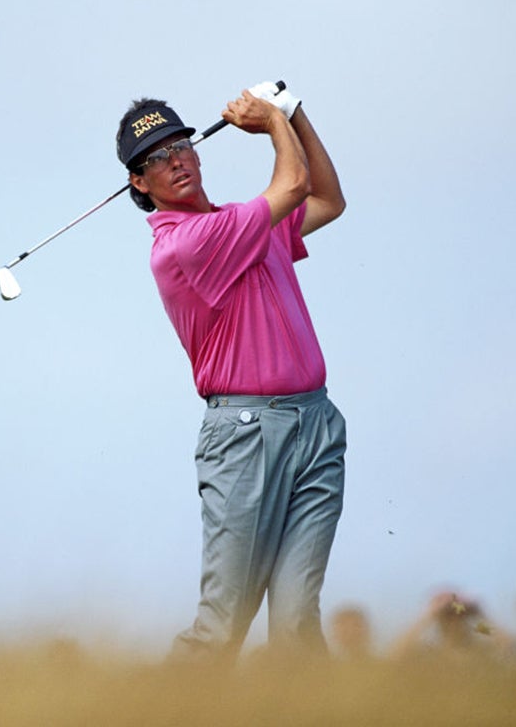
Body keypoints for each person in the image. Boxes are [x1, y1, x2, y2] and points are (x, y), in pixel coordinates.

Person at [115, 81, 347, 664]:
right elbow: (292, 185)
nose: (174, 162)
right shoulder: (185, 242)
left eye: (180, 147)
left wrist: (295, 114)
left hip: (316, 424)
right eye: (155, 161)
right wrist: (272, 122)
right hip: (246, 437)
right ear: (139, 184)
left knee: (297, 621)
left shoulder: (243, 222)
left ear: (196, 151)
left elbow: (325, 198)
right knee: (223, 626)